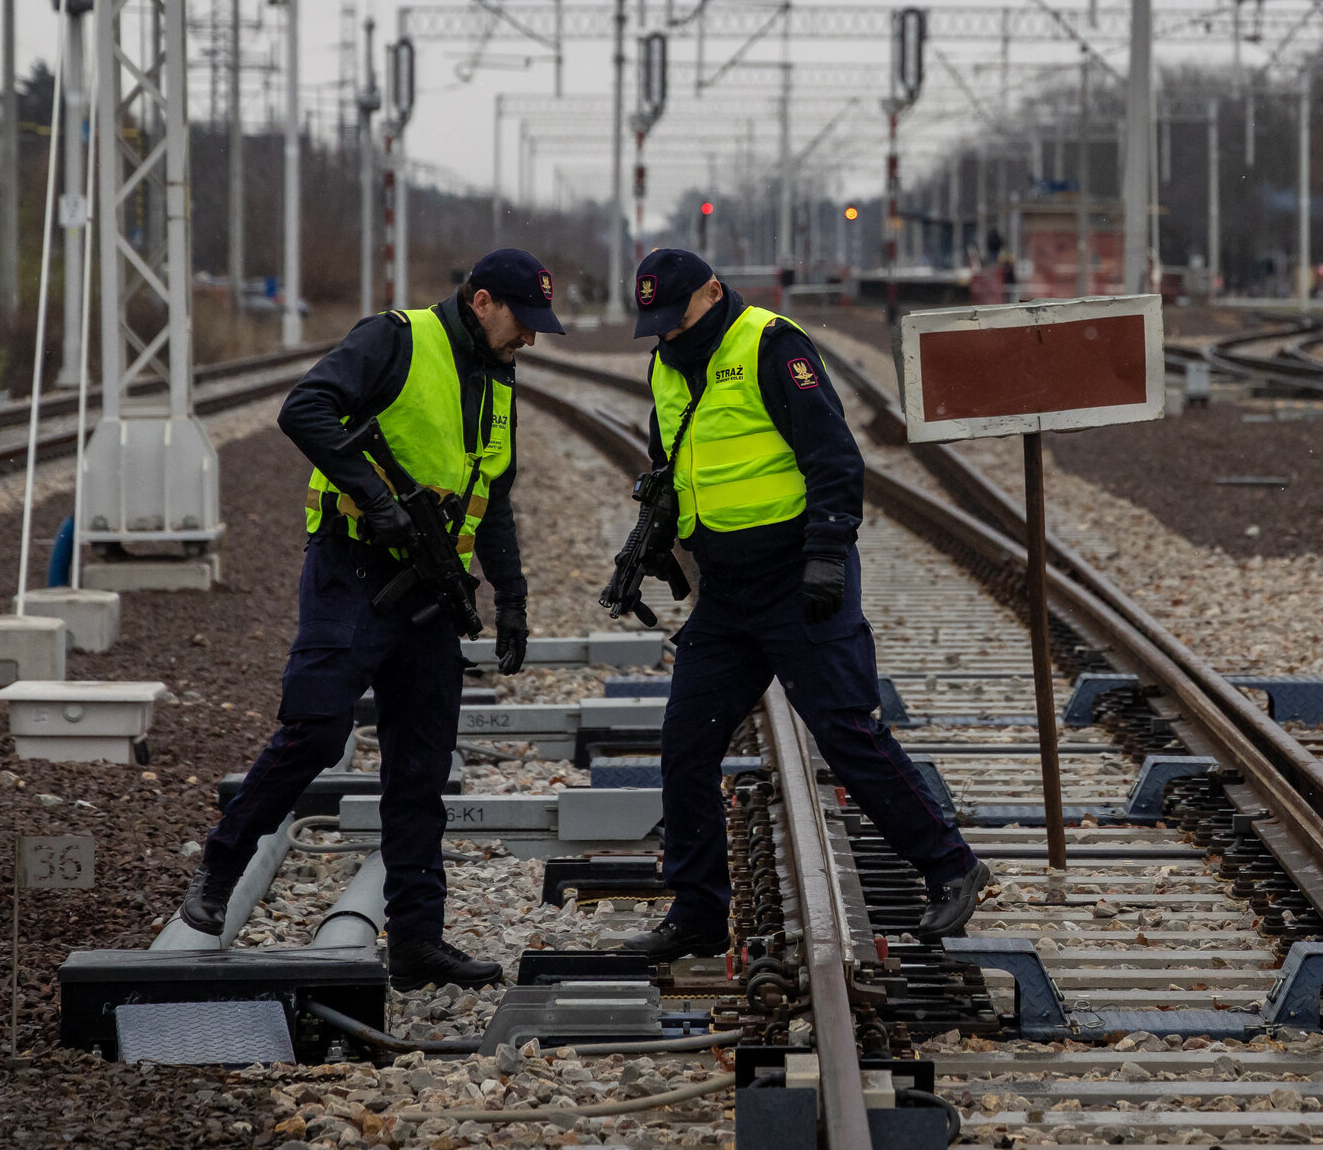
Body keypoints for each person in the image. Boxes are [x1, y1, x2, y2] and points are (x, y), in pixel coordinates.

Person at [179, 248, 564, 989]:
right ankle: (221, 867)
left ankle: (417, 940)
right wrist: (376, 497)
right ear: (482, 300)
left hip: (431, 594)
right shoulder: (397, 338)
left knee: (420, 766)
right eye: (522, 320)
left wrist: (512, 599)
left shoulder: (499, 378)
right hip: (352, 570)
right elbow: (304, 409)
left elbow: (494, 497)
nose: (530, 337)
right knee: (317, 729)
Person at [614, 248, 990, 962]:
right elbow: (675, 465)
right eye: (656, 323)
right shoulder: (664, 364)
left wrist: (826, 553)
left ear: (713, 291)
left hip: (798, 578)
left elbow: (834, 458)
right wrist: (657, 538)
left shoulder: (772, 344)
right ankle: (697, 911)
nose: (668, 332)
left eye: (676, 317)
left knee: (846, 732)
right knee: (687, 743)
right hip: (726, 593)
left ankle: (952, 866)